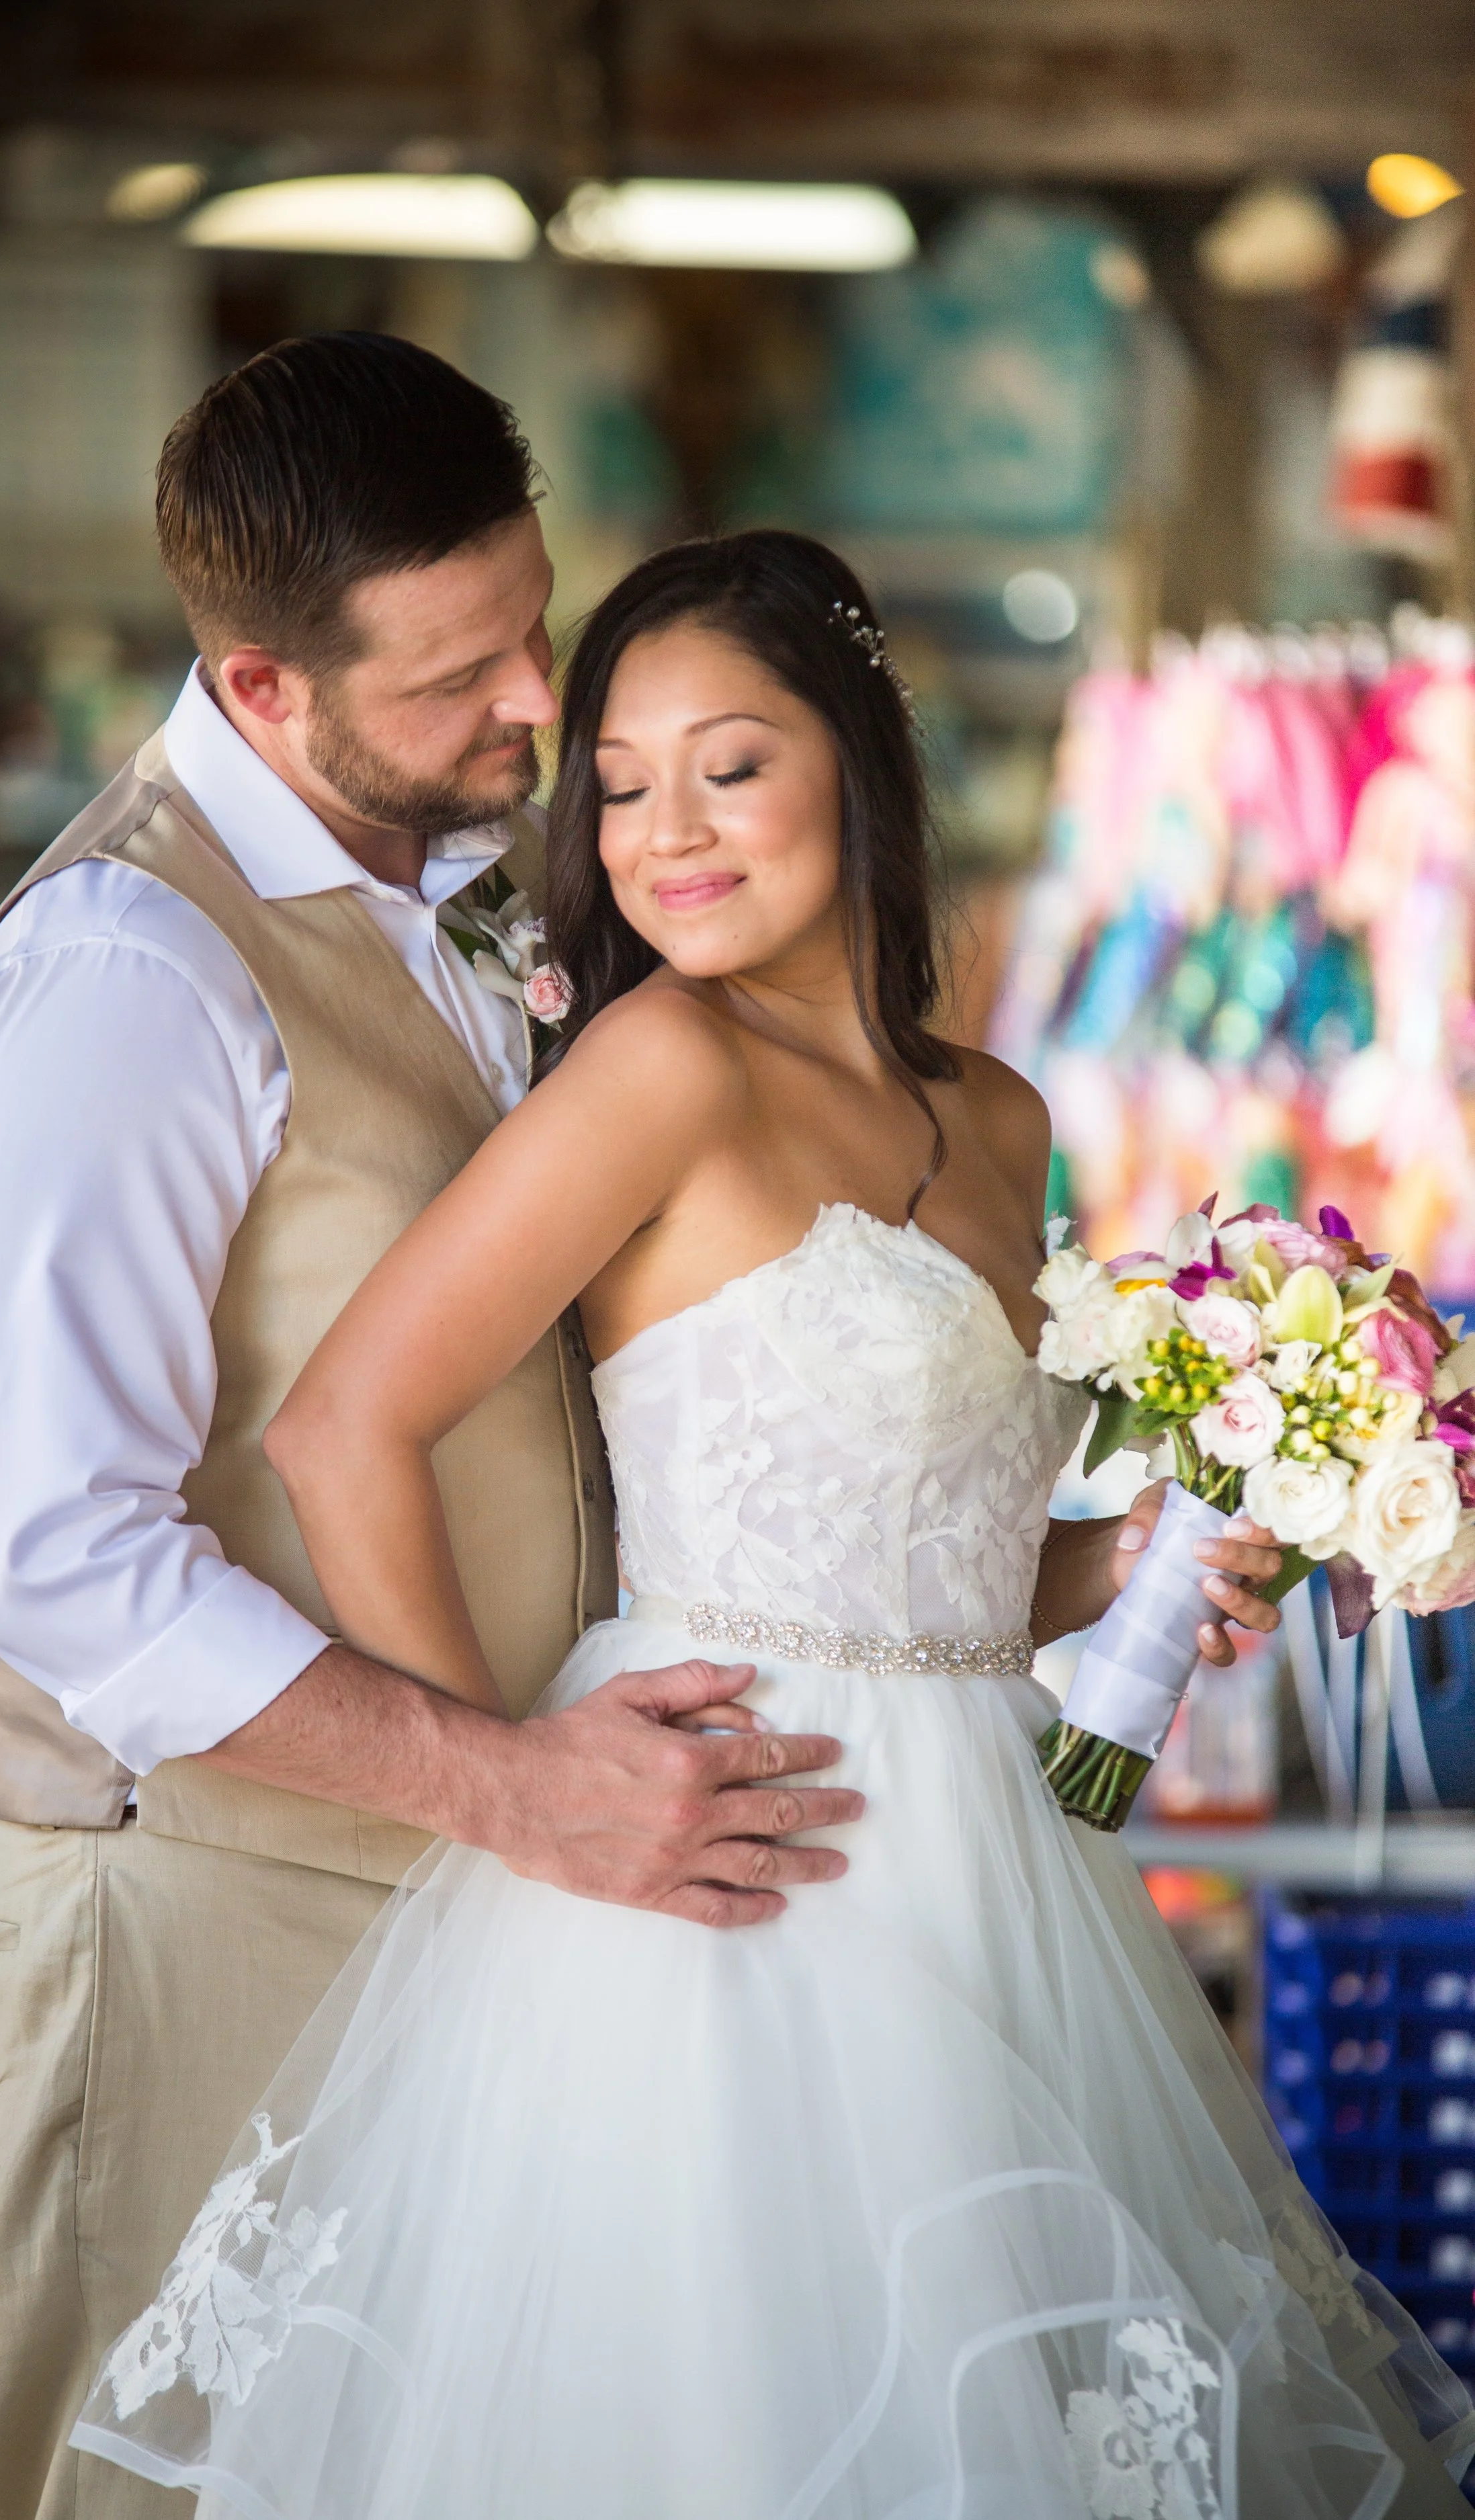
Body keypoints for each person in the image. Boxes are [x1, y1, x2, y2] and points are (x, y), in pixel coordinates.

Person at [73, 529, 1474, 2516]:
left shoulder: (999, 1116)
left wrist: (1157, 1543)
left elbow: (961, 1566)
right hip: (732, 1868)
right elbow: (341, 1426)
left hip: (994, 1865)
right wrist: (505, 1773)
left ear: (855, 766)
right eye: (621, 783)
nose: (665, 831)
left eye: (728, 765)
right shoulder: (661, 1067)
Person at [0, 340, 869, 2520]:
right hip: (198, 1906)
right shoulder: (125, 969)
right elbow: (65, 1562)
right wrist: (509, 1786)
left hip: (488, 1886)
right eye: (459, 676)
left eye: (531, 622)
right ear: (265, 691)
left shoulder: (469, 877)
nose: (536, 704)